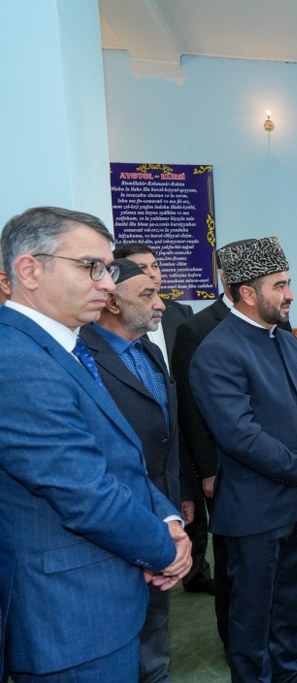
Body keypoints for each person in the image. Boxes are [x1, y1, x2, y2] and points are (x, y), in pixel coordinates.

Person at [0, 206, 191, 681]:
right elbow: (84, 492)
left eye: (106, 268)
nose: (107, 283)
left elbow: (119, 458)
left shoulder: (65, 346)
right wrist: (166, 549)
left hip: (100, 596)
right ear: (29, 270)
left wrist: (167, 518)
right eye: (91, 267)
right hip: (69, 616)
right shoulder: (17, 360)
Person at [189, 236, 297, 683]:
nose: (291, 294)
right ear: (247, 294)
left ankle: (290, 674)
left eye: (288, 283)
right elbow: (239, 435)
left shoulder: (285, 341)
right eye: (280, 285)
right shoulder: (217, 351)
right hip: (255, 508)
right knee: (252, 613)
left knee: (289, 601)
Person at [79, 258, 186, 683]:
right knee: (120, 624)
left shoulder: (151, 351)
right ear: (113, 302)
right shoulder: (82, 356)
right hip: (116, 511)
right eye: (148, 295)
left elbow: (167, 434)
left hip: (163, 506)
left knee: (157, 614)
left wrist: (178, 499)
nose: (160, 304)